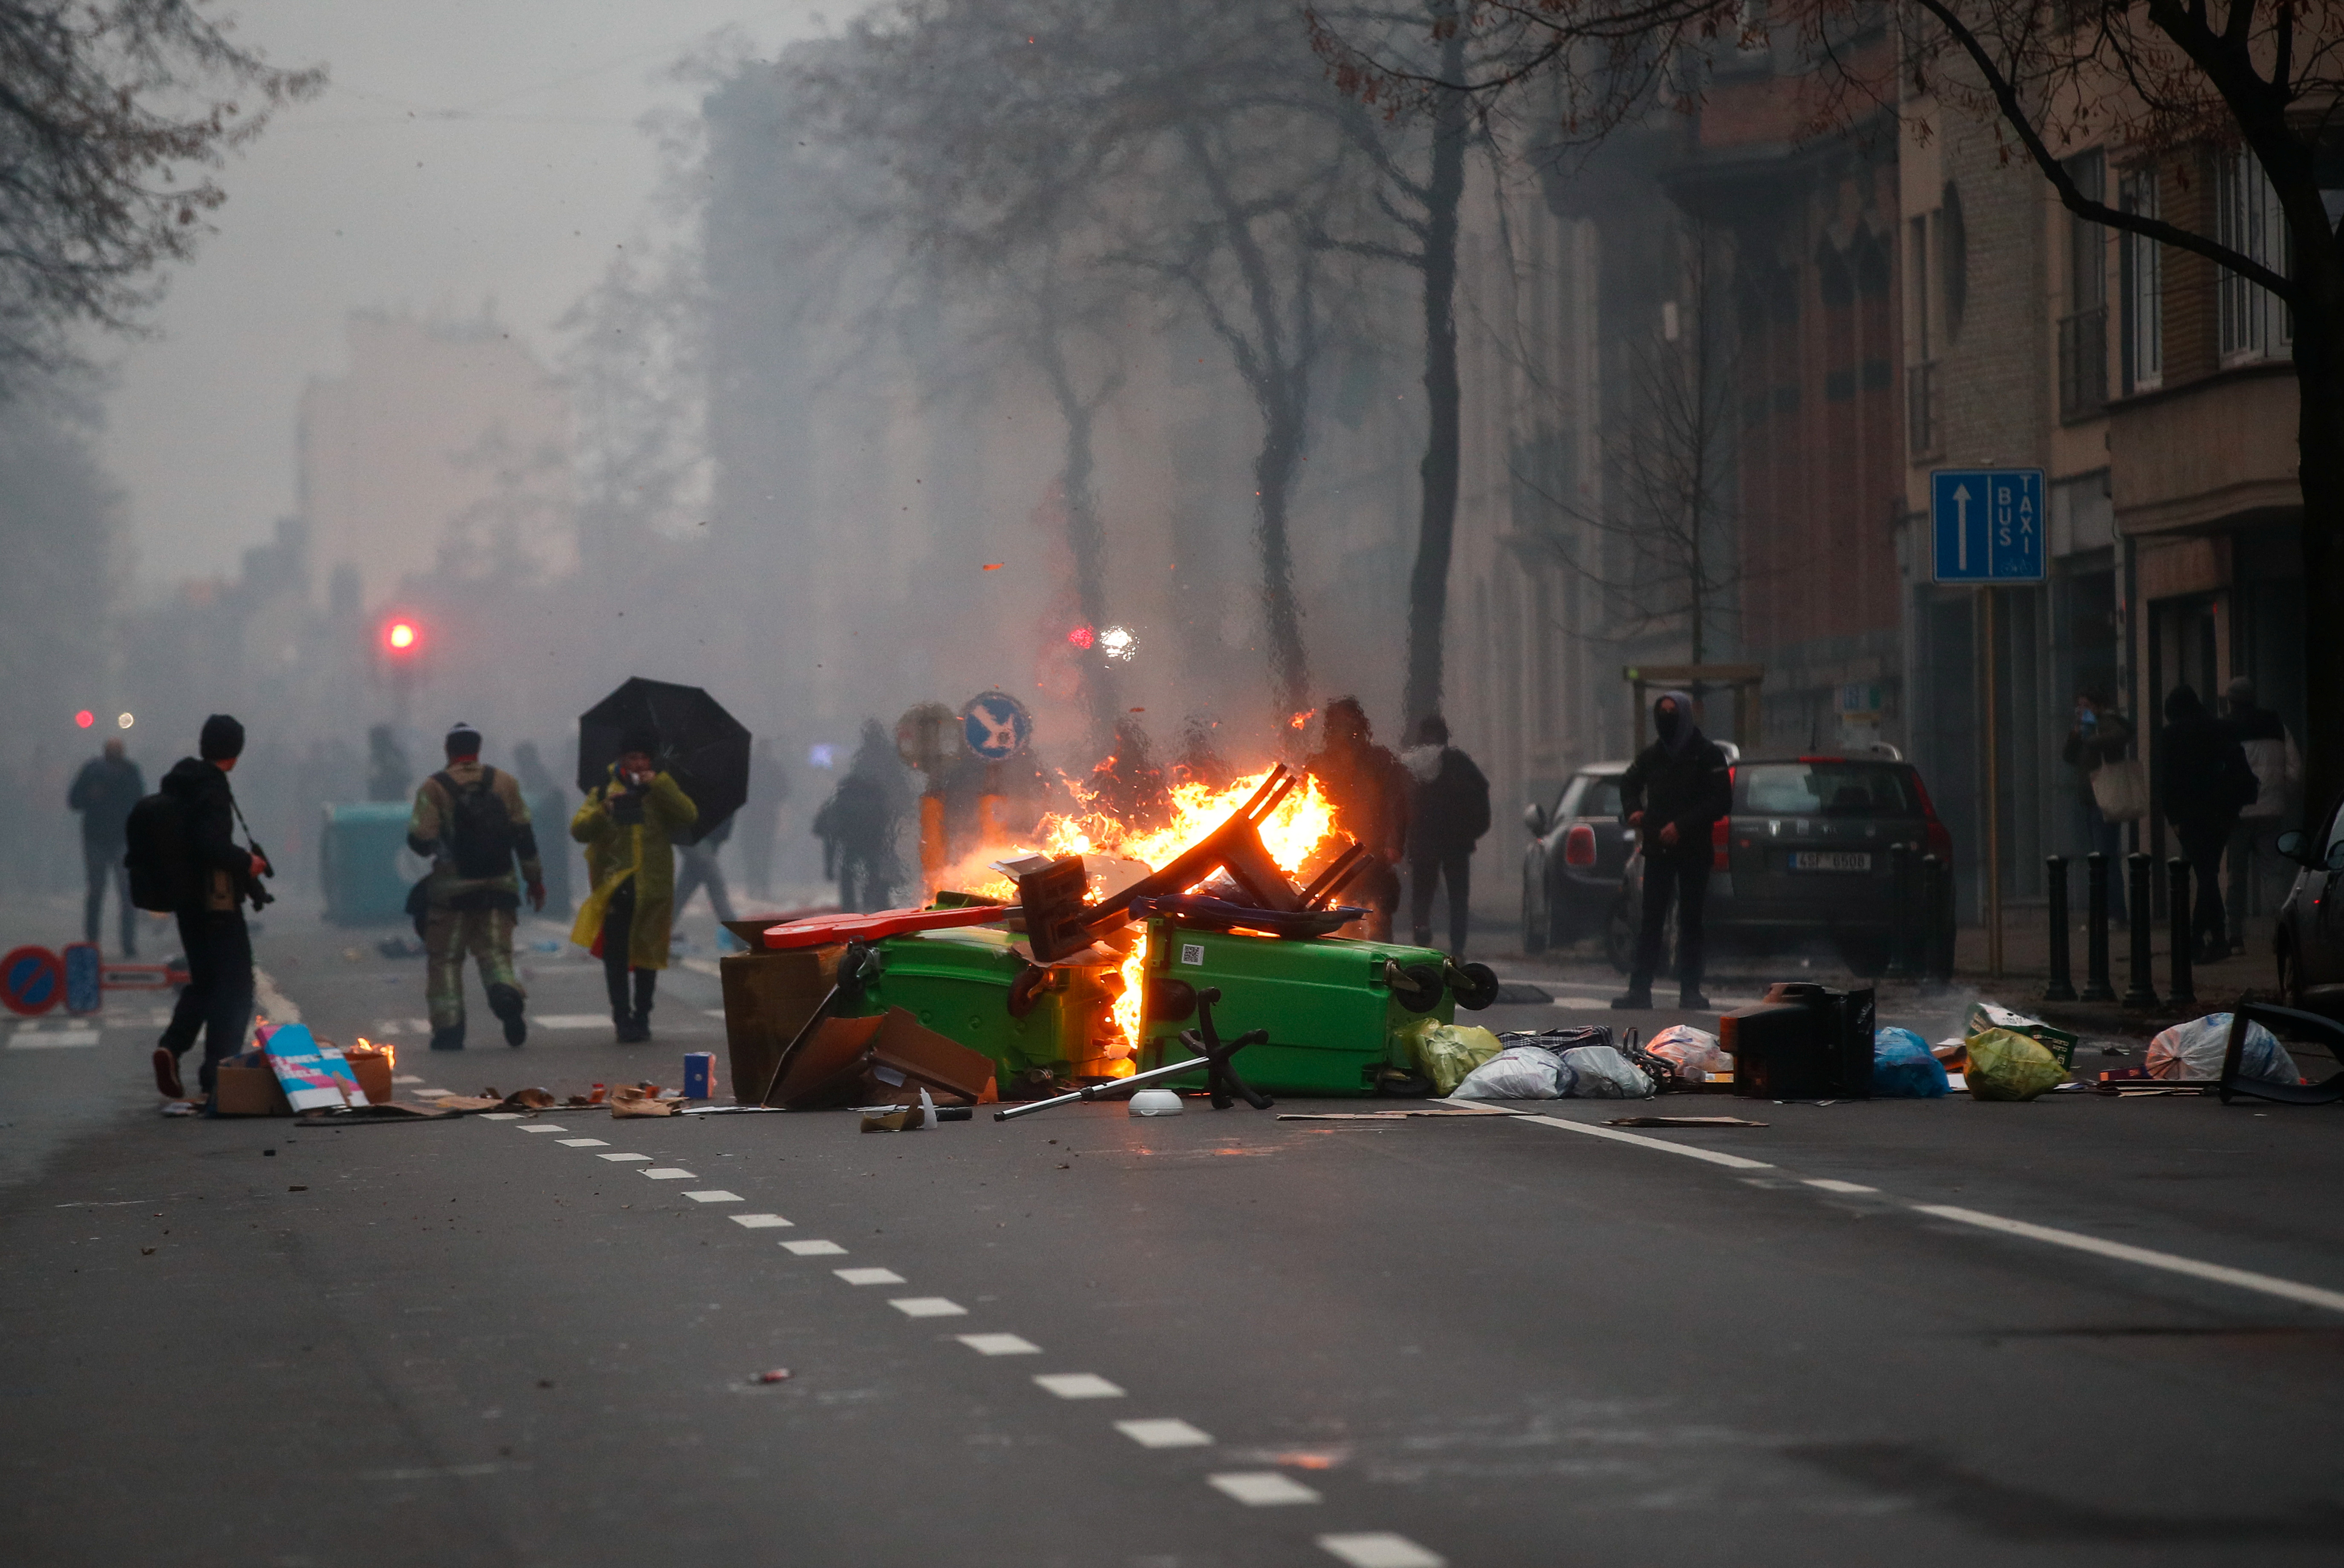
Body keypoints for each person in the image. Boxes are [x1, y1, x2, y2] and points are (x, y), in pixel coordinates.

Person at [151, 715, 269, 1101]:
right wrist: (246, 863)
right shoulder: (212, 788)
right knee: (236, 985)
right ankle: (220, 1073)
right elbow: (211, 844)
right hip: (216, 902)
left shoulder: (181, 783)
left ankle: (172, 1046)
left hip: (186, 900)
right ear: (235, 752)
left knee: (205, 980)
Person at [408, 722, 545, 1052]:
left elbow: (420, 838)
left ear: (449, 751)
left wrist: (440, 845)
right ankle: (505, 993)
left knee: (446, 960)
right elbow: (524, 836)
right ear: (478, 749)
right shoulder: (505, 783)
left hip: (451, 894)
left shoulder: (434, 787)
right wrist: (534, 880)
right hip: (500, 888)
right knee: (495, 953)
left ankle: (450, 1029)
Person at [572, 732, 697, 1042]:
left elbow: (689, 815)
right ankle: (622, 1017)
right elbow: (580, 829)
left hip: (654, 887)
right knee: (616, 955)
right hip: (617, 886)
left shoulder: (659, 789)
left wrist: (661, 784)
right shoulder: (604, 790)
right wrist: (605, 811)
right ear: (622, 760)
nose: (639, 763)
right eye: (633, 758)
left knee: (647, 955)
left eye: (644, 757)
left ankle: (643, 1016)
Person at [1614, 690, 1732, 1011]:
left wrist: (1682, 826)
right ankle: (1640, 989)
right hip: (1657, 849)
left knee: (1691, 919)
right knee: (1651, 919)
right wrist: (1634, 810)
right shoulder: (1654, 755)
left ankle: (1690, 989)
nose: (1666, 719)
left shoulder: (1707, 755)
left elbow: (1721, 801)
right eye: (1661, 712)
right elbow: (1628, 783)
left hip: (1693, 849)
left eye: (1672, 712)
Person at [2158, 684, 2257, 964]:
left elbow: (2167, 782)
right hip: (2222, 814)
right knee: (2208, 872)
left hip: (2190, 818)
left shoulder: (2172, 735)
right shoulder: (2220, 728)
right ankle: (2214, 936)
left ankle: (2200, 937)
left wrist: (2174, 818)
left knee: (2207, 875)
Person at [1301, 697, 1407, 941]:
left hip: (1373, 849)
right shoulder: (1320, 763)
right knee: (1340, 914)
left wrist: (1394, 843)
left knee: (1378, 914)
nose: (1345, 730)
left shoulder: (1379, 761)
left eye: (1349, 722)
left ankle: (1381, 966)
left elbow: (1396, 804)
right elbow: (1306, 804)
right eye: (1338, 723)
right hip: (1334, 852)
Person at [2222, 676, 2302, 953]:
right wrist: (2281, 794)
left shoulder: (2227, 729)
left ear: (2231, 701)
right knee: (2274, 875)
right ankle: (2284, 933)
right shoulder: (2278, 727)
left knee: (2236, 876)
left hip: (2238, 812)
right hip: (2271, 809)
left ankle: (2235, 938)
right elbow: (2295, 770)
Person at [1400, 714, 1491, 957]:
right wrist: (1473, 831)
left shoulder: (1410, 766)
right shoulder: (1461, 764)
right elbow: (1481, 797)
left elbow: (1398, 804)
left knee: (1422, 893)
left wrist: (1403, 837)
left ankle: (1422, 929)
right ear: (1446, 737)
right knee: (1458, 897)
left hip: (1423, 843)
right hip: (1457, 844)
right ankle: (1458, 945)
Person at [2059, 682, 2135, 923]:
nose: (2081, 709)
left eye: (2086, 705)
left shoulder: (2105, 723)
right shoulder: (2085, 728)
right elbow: (2071, 757)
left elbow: (2121, 735)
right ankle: (2106, 911)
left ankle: (2116, 913)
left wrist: (2092, 736)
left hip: (2104, 799)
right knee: (2099, 859)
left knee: (2106, 857)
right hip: (2091, 800)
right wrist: (2076, 736)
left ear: (2098, 707)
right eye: (2079, 705)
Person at [68, 737, 144, 955]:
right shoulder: (100, 771)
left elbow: (139, 802)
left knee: (118, 893)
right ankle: (98, 942)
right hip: (101, 838)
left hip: (115, 838)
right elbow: (75, 801)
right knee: (102, 892)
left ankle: (122, 944)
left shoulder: (125, 771)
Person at [512, 741, 572, 918]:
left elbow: (543, 803)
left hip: (543, 836)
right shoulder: (533, 777)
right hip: (541, 836)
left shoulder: (537, 779)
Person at [673, 814, 740, 930]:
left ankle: (656, 935)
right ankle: (739, 937)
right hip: (696, 839)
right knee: (716, 887)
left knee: (683, 891)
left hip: (704, 841)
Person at [741, 738, 786, 901]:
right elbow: (785, 790)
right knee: (766, 852)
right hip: (768, 815)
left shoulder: (748, 767)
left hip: (749, 816)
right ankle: (764, 888)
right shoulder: (775, 768)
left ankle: (752, 887)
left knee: (751, 853)